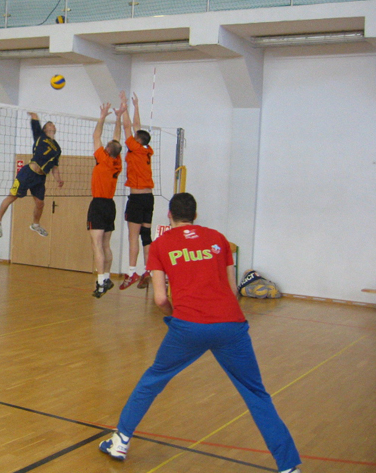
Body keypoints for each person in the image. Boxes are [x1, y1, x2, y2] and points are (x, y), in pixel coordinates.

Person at [99, 193, 302, 473]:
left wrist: (175, 316)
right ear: (195, 215)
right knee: (256, 394)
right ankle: (289, 466)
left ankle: (120, 440)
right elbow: (232, 289)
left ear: (169, 215)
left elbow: (160, 298)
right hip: (230, 325)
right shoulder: (219, 239)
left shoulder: (160, 245)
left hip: (188, 326)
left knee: (153, 380)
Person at [0, 112, 63, 239]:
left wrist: (58, 179)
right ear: (45, 129)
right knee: (12, 197)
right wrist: (34, 115)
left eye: (53, 124)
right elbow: (35, 123)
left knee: (40, 203)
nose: (52, 125)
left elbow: (55, 166)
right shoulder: (40, 136)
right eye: (49, 124)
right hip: (28, 173)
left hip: (40, 178)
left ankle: (35, 225)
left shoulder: (57, 149)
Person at [89, 100, 127, 298]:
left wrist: (103, 116)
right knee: (105, 245)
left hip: (98, 204)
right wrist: (118, 117)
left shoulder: (102, 159)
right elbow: (116, 139)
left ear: (107, 151)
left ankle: (101, 281)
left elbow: (96, 135)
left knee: (96, 244)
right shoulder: (117, 162)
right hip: (110, 205)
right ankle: (107, 277)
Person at [118, 91, 154, 290]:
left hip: (137, 199)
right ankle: (148, 270)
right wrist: (137, 106)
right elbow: (137, 127)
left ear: (137, 141)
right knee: (145, 236)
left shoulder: (135, 148)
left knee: (133, 236)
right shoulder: (147, 150)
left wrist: (124, 108)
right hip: (149, 198)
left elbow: (127, 126)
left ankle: (132, 272)